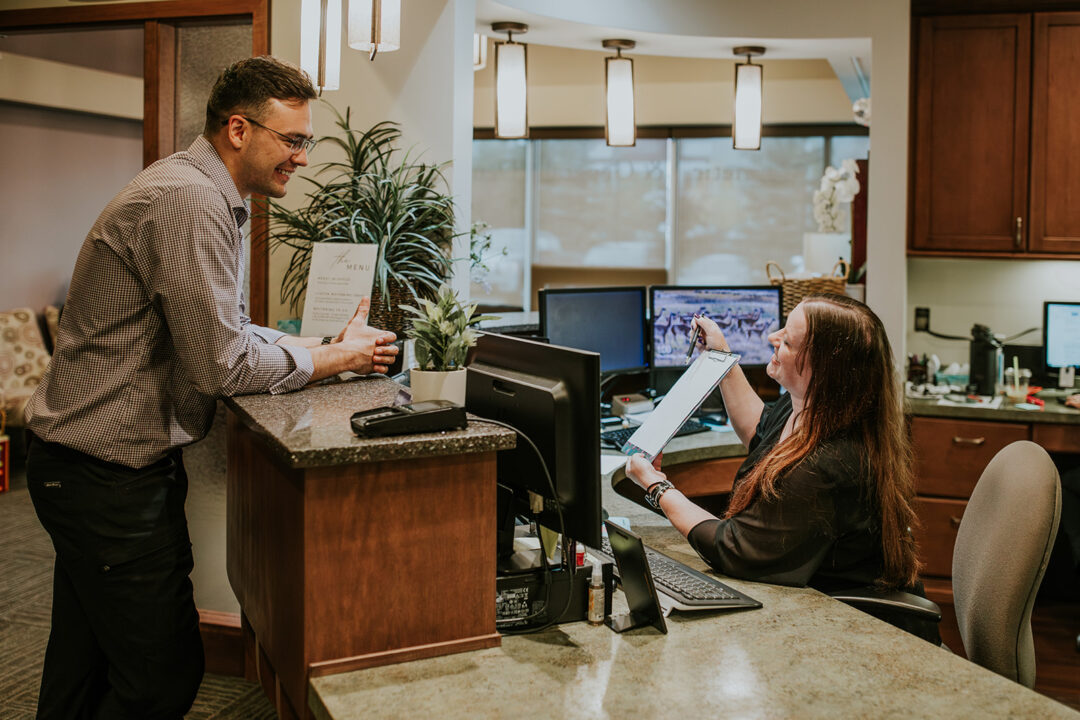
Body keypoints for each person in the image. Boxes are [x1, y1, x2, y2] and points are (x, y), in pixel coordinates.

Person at [24, 56, 399, 719]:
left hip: (92, 466)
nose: (303, 158)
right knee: (160, 673)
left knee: (83, 666)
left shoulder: (206, 192)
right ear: (237, 129)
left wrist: (317, 347)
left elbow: (222, 328)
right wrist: (334, 362)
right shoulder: (189, 200)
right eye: (293, 140)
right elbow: (220, 365)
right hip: (104, 475)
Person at [626, 293, 939, 643]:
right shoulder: (811, 411)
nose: (772, 337)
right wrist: (720, 355)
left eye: (787, 340)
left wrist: (657, 487)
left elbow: (734, 548)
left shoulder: (828, 463)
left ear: (823, 369)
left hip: (863, 631)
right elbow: (759, 431)